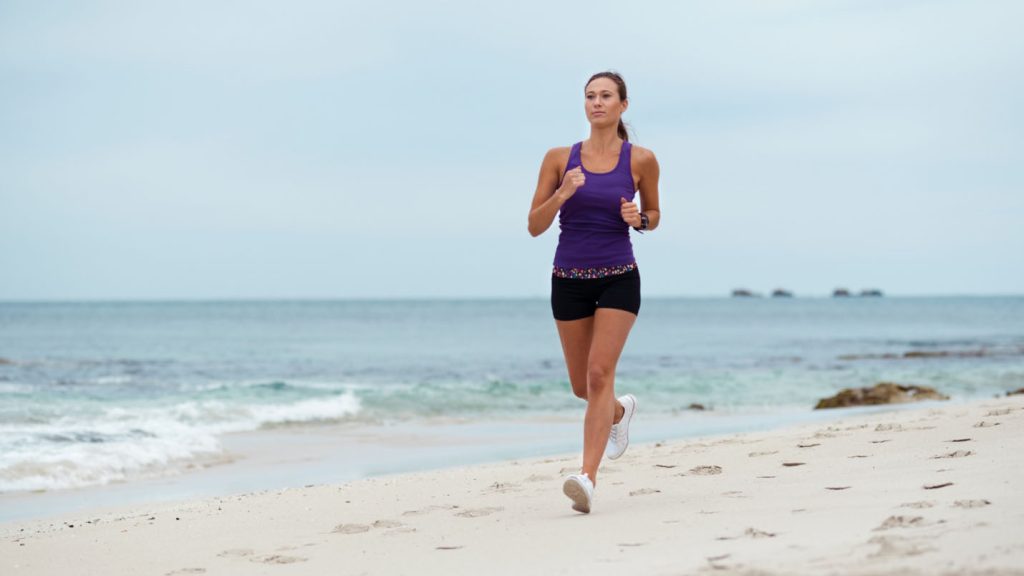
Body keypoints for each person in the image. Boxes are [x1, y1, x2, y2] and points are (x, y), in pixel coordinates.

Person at [527, 71, 661, 514]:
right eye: (590, 96)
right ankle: (620, 415)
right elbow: (534, 226)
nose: (597, 103)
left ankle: (586, 477)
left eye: (606, 96)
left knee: (601, 375)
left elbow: (654, 214)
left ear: (623, 105)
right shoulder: (558, 159)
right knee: (584, 388)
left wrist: (636, 218)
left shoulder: (641, 160)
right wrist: (563, 191)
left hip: (619, 277)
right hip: (568, 279)